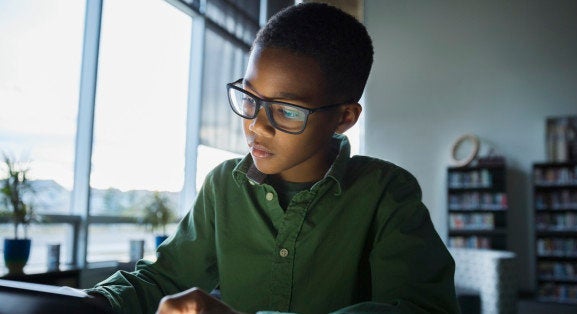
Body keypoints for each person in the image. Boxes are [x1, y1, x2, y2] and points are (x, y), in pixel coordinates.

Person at [86, 3, 460, 314]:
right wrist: (94, 303)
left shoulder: (386, 193)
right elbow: (161, 278)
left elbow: (420, 308)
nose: (257, 127)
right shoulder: (223, 186)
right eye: (250, 99)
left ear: (344, 118)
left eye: (287, 110)